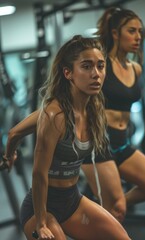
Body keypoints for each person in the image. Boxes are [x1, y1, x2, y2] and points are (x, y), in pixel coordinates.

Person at [2, 35, 131, 240]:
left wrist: (10, 155)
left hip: (72, 200)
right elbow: (38, 174)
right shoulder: (54, 115)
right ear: (68, 73)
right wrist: (41, 223)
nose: (96, 74)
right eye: (87, 67)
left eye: (100, 66)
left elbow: (14, 133)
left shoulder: (93, 111)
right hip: (41, 207)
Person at [82, 6, 145, 222]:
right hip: (98, 144)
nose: (138, 37)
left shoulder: (135, 68)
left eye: (140, 32)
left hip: (122, 142)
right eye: (131, 31)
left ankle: (104, 207)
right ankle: (104, 209)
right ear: (115, 33)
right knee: (115, 215)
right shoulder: (101, 65)